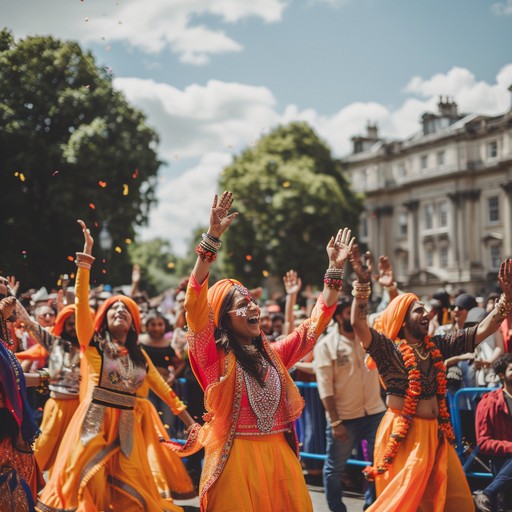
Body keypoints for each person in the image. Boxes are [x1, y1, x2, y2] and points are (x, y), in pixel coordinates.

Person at [184, 191, 354, 511]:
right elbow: (194, 307)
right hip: (235, 463)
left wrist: (334, 271)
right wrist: (211, 240)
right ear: (222, 318)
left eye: (252, 302)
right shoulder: (214, 358)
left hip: (281, 462)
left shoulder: (273, 354)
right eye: (242, 304)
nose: (253, 307)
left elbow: (314, 325)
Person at [37, 220, 197, 512]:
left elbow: (163, 390)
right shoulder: (93, 343)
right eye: (114, 308)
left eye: (126, 309)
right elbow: (82, 302)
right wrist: (85, 260)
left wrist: (189, 423)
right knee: (89, 485)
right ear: (104, 319)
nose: (120, 311)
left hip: (126, 427)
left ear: (134, 322)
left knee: (131, 494)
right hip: (92, 423)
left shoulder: (138, 355)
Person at [350, 246, 512, 511]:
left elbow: (482, 330)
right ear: (402, 321)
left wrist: (507, 299)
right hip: (403, 437)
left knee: (454, 501)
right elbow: (359, 323)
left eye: (425, 309)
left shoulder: (437, 346)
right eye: (418, 310)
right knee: (404, 504)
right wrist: (362, 281)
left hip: (436, 437)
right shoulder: (387, 349)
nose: (426, 314)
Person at [314, 298, 386, 512]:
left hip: (375, 413)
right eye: (349, 313)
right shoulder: (326, 346)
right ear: (338, 317)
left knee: (378, 464)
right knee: (335, 469)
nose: (356, 317)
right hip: (344, 419)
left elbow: (393, 310)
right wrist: (335, 422)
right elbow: (325, 389)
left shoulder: (370, 338)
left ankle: (371, 506)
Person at [15, 303, 83, 475]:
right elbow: (30, 324)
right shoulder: (56, 344)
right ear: (63, 325)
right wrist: (12, 297)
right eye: (69, 323)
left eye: (77, 323)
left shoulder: (91, 349)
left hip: (80, 409)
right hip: (57, 407)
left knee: (75, 453)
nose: (73, 327)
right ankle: (26, 481)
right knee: (42, 449)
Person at [0, 294, 45, 511]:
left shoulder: (3, 349)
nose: (7, 302)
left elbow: (13, 381)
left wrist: (46, 378)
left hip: (10, 431)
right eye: (0, 296)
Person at [473, 353, 512, 512]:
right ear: (502, 375)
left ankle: (486, 494)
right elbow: (483, 442)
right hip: (501, 461)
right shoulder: (489, 402)